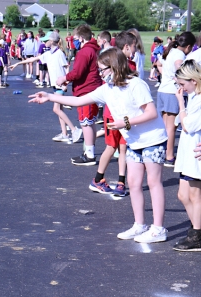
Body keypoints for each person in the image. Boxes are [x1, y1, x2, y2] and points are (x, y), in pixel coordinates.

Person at [29, 47, 168, 244]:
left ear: (115, 67)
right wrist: (51, 97)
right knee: (134, 183)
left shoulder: (136, 85)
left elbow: (152, 113)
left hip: (153, 139)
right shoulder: (107, 89)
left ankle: (158, 229)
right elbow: (78, 101)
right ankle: (139, 225)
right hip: (135, 141)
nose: (100, 74)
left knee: (153, 183)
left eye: (103, 69)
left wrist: (124, 123)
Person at [9, 31, 82, 143]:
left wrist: (65, 83)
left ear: (52, 41)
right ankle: (64, 134)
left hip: (60, 86)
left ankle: (74, 129)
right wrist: (17, 64)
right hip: (54, 85)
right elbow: (33, 59)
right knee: (59, 110)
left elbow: (66, 68)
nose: (43, 42)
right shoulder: (48, 54)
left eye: (46, 40)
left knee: (56, 109)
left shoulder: (59, 54)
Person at [89, 31, 137, 196]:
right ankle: (98, 178)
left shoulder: (130, 65)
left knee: (123, 147)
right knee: (112, 146)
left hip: (124, 115)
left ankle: (121, 182)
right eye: (133, 47)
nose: (135, 50)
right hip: (112, 113)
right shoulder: (114, 65)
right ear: (126, 47)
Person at [56, 24, 102, 166]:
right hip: (92, 88)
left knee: (86, 122)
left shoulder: (85, 52)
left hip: (86, 89)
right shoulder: (94, 50)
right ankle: (90, 151)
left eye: (75, 38)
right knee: (90, 122)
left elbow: (78, 72)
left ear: (81, 38)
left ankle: (89, 155)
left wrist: (64, 78)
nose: (74, 41)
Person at [156, 31, 196, 167]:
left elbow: (158, 64)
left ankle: (163, 152)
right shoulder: (180, 55)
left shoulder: (170, 51)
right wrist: (180, 80)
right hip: (172, 92)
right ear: (188, 46)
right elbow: (179, 67)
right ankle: (169, 156)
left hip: (162, 90)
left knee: (164, 125)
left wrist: (168, 76)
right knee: (171, 126)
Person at [173, 60, 201, 251]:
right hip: (187, 150)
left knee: (194, 195)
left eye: (182, 84)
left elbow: (187, 124)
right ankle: (197, 230)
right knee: (183, 195)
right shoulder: (193, 96)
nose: (180, 88)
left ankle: (196, 234)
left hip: (196, 152)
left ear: (194, 80)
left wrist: (180, 105)